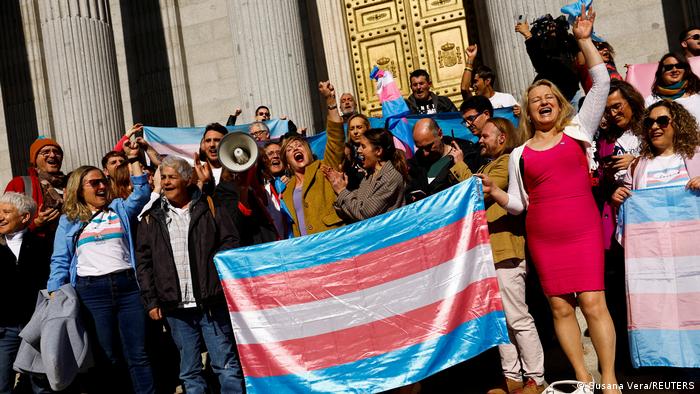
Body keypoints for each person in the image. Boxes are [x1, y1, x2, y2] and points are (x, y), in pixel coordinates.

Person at [480, 7, 620, 392]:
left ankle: (608, 379)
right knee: (560, 308)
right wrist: (496, 193)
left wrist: (584, 39)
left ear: (559, 104)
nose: (543, 101)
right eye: (535, 98)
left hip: (582, 231)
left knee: (593, 304)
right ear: (528, 110)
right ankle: (582, 378)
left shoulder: (578, 130)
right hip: (544, 238)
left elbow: (601, 84)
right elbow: (520, 205)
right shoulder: (518, 154)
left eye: (549, 96)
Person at [46, 141, 155, 394]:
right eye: (94, 183)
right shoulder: (69, 220)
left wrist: (132, 157)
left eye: (102, 181)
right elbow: (60, 259)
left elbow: (141, 193)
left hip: (129, 288)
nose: (101, 186)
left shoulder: (119, 208)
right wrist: (55, 291)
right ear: (79, 190)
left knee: (138, 353)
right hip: (91, 292)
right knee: (106, 355)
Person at [136, 156, 244, 394]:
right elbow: (144, 264)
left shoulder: (210, 206)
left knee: (226, 366)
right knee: (190, 372)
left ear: (186, 180)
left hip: (211, 303)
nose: (165, 182)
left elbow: (230, 242)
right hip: (175, 308)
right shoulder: (151, 217)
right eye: (162, 177)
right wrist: (151, 300)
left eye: (171, 177)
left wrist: (213, 275)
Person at [452, 118, 544, 394]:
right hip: (487, 254)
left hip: (506, 250)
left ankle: (536, 378)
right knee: (500, 320)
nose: (480, 140)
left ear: (502, 137)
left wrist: (458, 163)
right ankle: (512, 378)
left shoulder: (507, 162)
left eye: (485, 135)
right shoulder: (485, 165)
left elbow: (478, 193)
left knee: (517, 317)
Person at [0, 192, 52, 394]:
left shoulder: (43, 245)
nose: (0, 217)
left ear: (25, 217)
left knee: (41, 386)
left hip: (37, 327)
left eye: (6, 212)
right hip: (5, 329)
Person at [280, 81, 345, 237]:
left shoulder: (325, 168)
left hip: (333, 240)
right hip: (307, 250)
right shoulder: (286, 190)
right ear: (287, 162)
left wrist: (330, 101)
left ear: (309, 150)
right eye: (289, 149)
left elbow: (336, 139)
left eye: (299, 145)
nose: (295, 148)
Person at [613, 100, 700, 202]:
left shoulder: (697, 155)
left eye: (662, 121)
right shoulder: (636, 165)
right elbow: (630, 206)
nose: (654, 127)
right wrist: (618, 197)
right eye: (649, 123)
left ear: (678, 124)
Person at [323, 128, 408, 222]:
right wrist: (340, 188)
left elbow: (364, 214)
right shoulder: (370, 176)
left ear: (378, 151)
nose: (359, 150)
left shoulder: (390, 177)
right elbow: (351, 211)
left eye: (363, 146)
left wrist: (342, 190)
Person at [406, 118, 481, 202]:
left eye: (429, 146)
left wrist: (460, 164)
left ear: (440, 134)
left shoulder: (468, 154)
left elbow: (477, 190)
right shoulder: (416, 163)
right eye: (420, 148)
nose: (425, 153)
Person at [5, 137, 65, 236]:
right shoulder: (19, 184)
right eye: (45, 152)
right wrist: (36, 223)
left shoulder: (71, 183)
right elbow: (6, 224)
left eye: (57, 152)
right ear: (35, 159)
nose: (53, 155)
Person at [516, 14, 580, 102]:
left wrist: (580, 39)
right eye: (549, 26)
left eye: (554, 25)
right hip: (554, 95)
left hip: (571, 93)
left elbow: (581, 62)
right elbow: (540, 64)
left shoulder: (567, 41)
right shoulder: (542, 46)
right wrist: (528, 35)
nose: (552, 28)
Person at [460, 44, 521, 116]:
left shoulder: (506, 99)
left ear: (487, 81)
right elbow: (464, 89)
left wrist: (521, 112)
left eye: (475, 81)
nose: (473, 86)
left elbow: (519, 120)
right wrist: (470, 58)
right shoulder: (475, 104)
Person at [644, 53, 700, 122]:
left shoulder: (697, 95)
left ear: (685, 70)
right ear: (661, 72)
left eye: (679, 66)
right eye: (669, 67)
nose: (674, 70)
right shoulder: (650, 101)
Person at [343, 113, 371, 190]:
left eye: (359, 127)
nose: (355, 132)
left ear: (367, 128)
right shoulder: (347, 151)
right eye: (352, 129)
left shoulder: (377, 148)